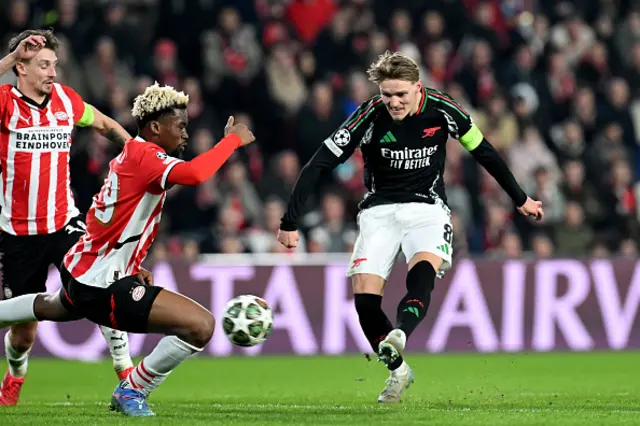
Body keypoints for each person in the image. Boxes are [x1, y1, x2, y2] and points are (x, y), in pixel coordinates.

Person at [276, 51, 544, 403]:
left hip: (427, 208)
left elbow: (485, 152)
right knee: (364, 301)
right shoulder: (370, 114)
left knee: (423, 269)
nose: (394, 102)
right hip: (379, 211)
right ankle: (399, 371)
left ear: (418, 88)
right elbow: (318, 163)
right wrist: (290, 220)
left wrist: (520, 197)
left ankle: (400, 332)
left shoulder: (444, 109)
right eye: (388, 94)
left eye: (402, 94)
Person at [0, 82, 255, 416]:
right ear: (154, 127)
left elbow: (111, 223)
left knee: (50, 305)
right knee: (200, 326)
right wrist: (231, 140)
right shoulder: (146, 157)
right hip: (101, 282)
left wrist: (131, 264)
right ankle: (132, 390)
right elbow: (195, 173)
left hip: (85, 272)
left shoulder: (131, 154)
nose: (185, 135)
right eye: (180, 126)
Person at [0, 29, 136, 405]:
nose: (52, 73)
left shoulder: (66, 100)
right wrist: (10, 57)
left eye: (54, 65)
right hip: (17, 233)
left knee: (99, 287)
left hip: (64, 223)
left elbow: (106, 125)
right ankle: (15, 375)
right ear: (21, 68)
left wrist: (138, 154)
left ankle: (127, 377)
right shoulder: (5, 103)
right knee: (23, 333)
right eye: (43, 65)